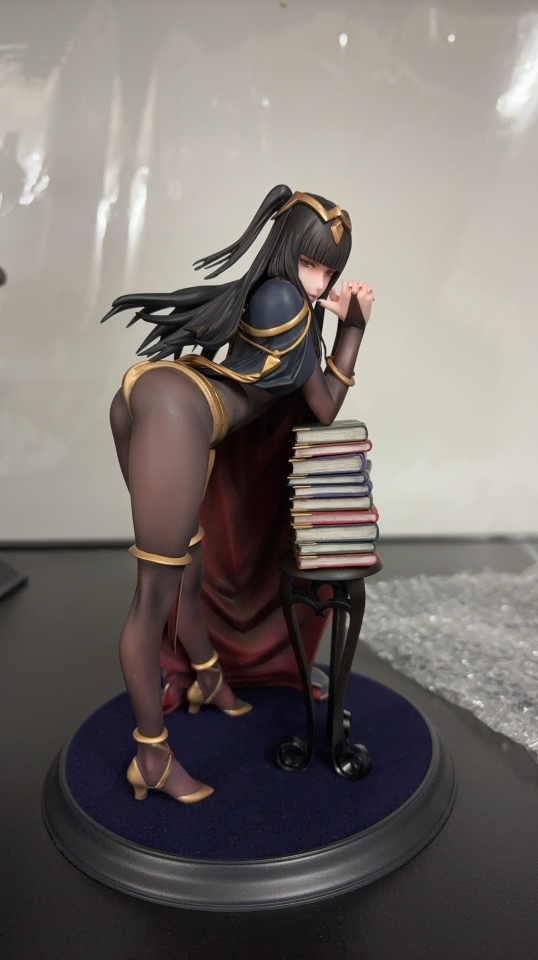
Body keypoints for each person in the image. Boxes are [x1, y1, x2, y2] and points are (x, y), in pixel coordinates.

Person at [103, 185, 374, 805]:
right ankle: (152, 757)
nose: (321, 281)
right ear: (286, 251)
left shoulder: (274, 293)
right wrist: (353, 329)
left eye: (330, 270)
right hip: (178, 413)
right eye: (312, 263)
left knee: (189, 564)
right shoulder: (284, 300)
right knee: (153, 598)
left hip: (163, 403)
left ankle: (207, 679)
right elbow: (324, 408)